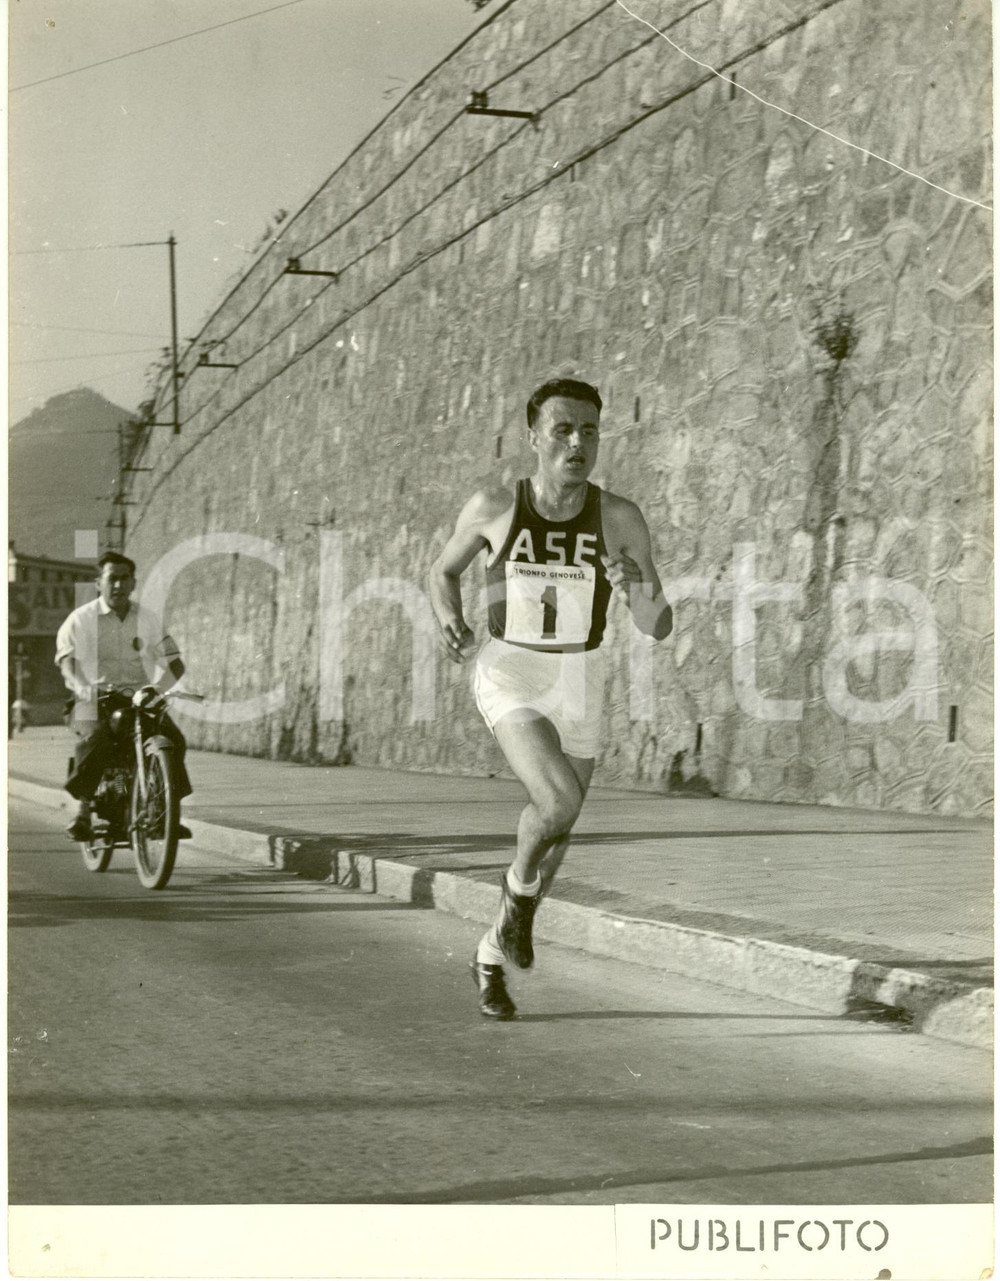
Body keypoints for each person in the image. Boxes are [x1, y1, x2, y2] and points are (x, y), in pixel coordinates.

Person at [429, 378, 673, 1019]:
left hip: (581, 677)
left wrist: (636, 587)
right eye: (563, 430)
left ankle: (490, 949)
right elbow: (442, 571)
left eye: (589, 431)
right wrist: (449, 617)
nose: (577, 443)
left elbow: (658, 624)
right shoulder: (494, 505)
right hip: (510, 667)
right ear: (534, 437)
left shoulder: (618, 517)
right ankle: (518, 903)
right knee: (559, 800)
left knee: (556, 832)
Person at [55, 550, 194, 843]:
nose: (118, 585)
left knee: (174, 741)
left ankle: (167, 815)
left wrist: (159, 689)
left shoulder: (149, 619)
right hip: (91, 699)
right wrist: (80, 685)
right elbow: (67, 662)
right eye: (112, 579)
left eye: (124, 579)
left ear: (133, 583)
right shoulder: (80, 619)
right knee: (96, 739)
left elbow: (175, 663)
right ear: (98, 583)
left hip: (138, 699)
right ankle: (82, 813)